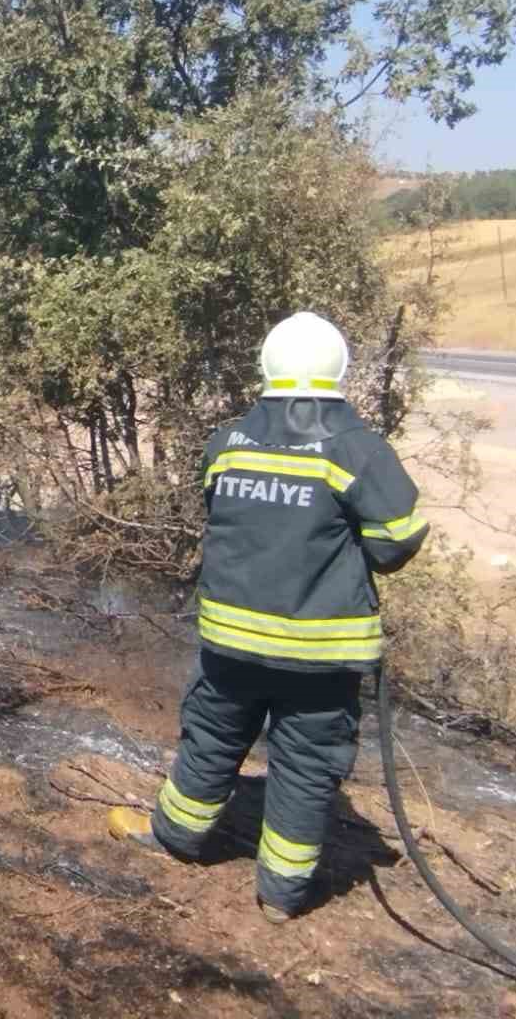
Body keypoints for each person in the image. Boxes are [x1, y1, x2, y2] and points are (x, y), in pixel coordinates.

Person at [109, 312, 429, 923]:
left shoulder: (225, 442)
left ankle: (176, 838)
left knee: (210, 737)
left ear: (266, 367)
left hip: (229, 643)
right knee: (307, 763)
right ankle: (280, 895)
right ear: (339, 370)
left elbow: (221, 509)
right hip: (319, 651)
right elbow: (397, 542)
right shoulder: (357, 450)